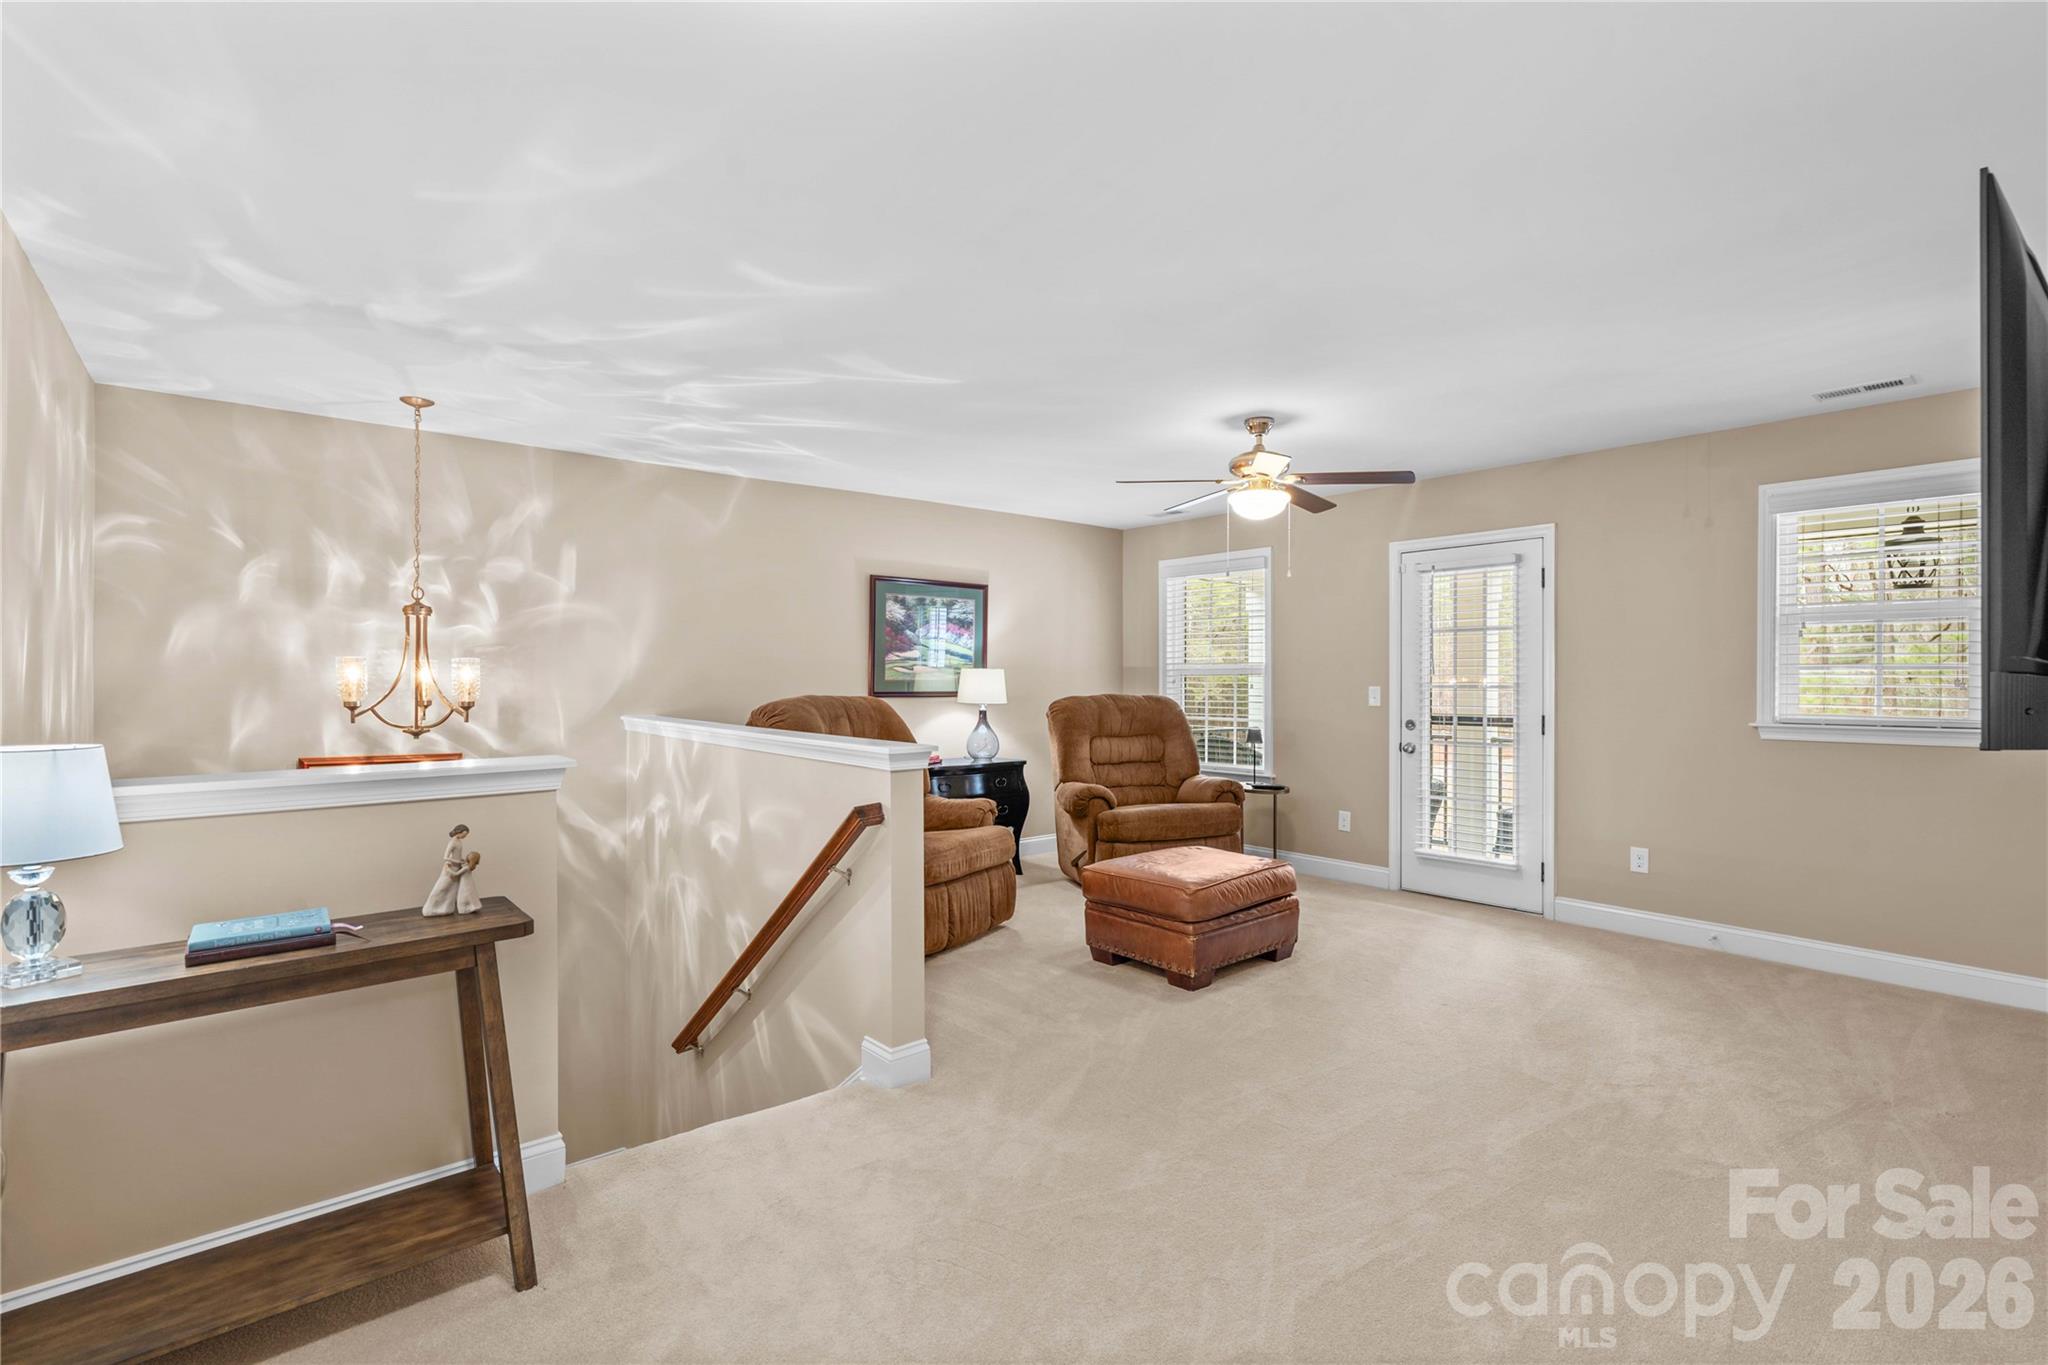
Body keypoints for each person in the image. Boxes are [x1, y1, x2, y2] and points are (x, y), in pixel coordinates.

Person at [422, 824, 483, 916]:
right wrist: (457, 861)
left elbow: (456, 855)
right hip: (451, 867)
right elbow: (446, 857)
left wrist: (461, 860)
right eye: (464, 834)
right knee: (442, 887)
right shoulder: (452, 842)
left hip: (456, 867)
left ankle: (446, 908)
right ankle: (431, 908)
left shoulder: (459, 842)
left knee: (451, 890)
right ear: (459, 832)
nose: (465, 836)